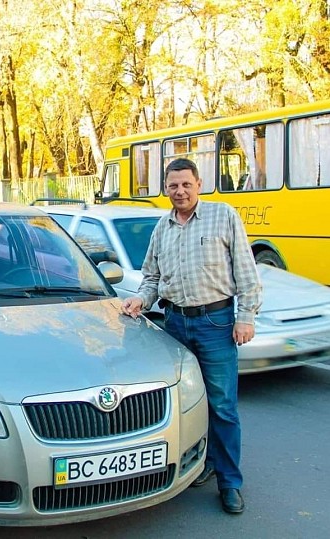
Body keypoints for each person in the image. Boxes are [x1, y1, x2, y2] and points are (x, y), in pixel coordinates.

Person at [121, 157, 262, 515]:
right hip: (175, 325)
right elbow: (151, 277)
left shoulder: (223, 216)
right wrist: (142, 298)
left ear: (199, 184)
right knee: (185, 404)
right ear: (165, 189)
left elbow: (246, 272)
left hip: (215, 323)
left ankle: (229, 481)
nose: (180, 191)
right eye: (173, 186)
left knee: (223, 406)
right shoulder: (162, 229)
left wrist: (245, 318)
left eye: (186, 184)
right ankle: (202, 461)